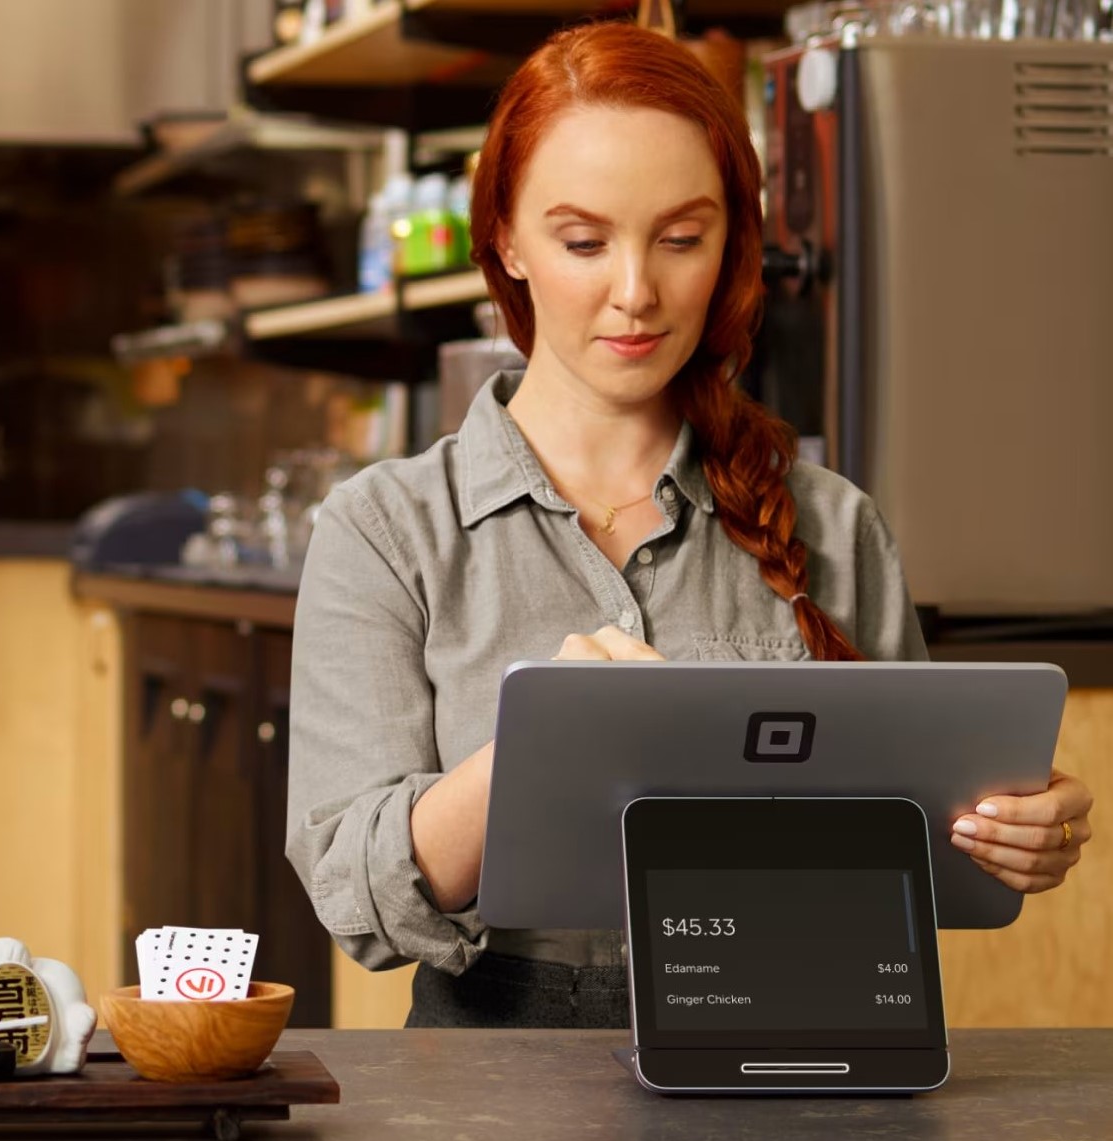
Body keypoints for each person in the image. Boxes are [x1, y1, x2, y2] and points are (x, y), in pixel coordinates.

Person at [285, 22, 1092, 1028]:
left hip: (800, 1044)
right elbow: (350, 896)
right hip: (495, 1074)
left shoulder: (833, 526)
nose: (635, 291)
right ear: (504, 237)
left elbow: (911, 851)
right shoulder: (383, 531)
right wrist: (533, 745)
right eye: (583, 241)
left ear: (731, 244)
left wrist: (1013, 834)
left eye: (681, 238)